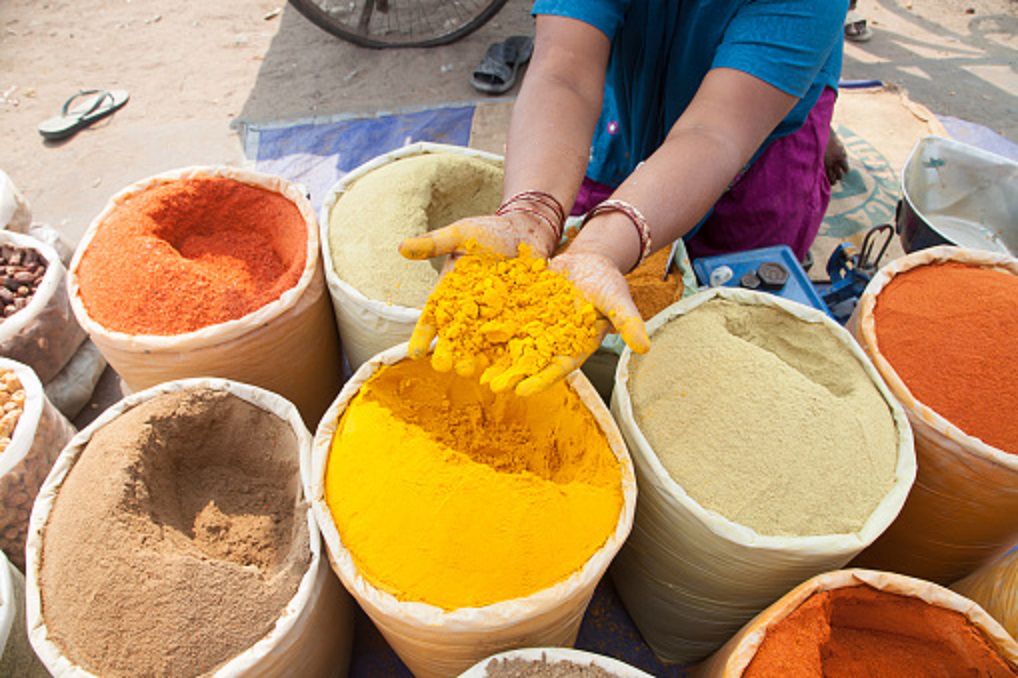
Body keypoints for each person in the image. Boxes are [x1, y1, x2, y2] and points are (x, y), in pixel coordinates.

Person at [401, 0, 849, 394]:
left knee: (735, 269)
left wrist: (602, 247)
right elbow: (564, 73)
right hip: (635, 87)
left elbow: (714, 132)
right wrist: (531, 211)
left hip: (753, 124)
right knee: (596, 196)